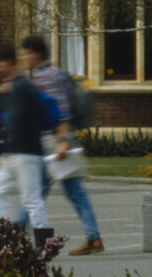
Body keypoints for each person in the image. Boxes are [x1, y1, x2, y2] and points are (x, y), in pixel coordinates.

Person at [24, 34, 103, 256]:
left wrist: (62, 141)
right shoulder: (50, 74)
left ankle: (12, 233)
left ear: (37, 54)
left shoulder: (47, 77)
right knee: (65, 191)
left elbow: (62, 109)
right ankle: (93, 237)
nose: (25, 58)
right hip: (56, 140)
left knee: (36, 193)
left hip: (56, 142)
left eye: (27, 53)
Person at [0, 42, 57, 244]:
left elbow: (17, 121)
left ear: (7, 63)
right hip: (16, 152)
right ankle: (7, 234)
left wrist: (0, 149)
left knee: (31, 200)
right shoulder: (17, 87)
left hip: (26, 153)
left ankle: (44, 243)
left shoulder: (22, 87)